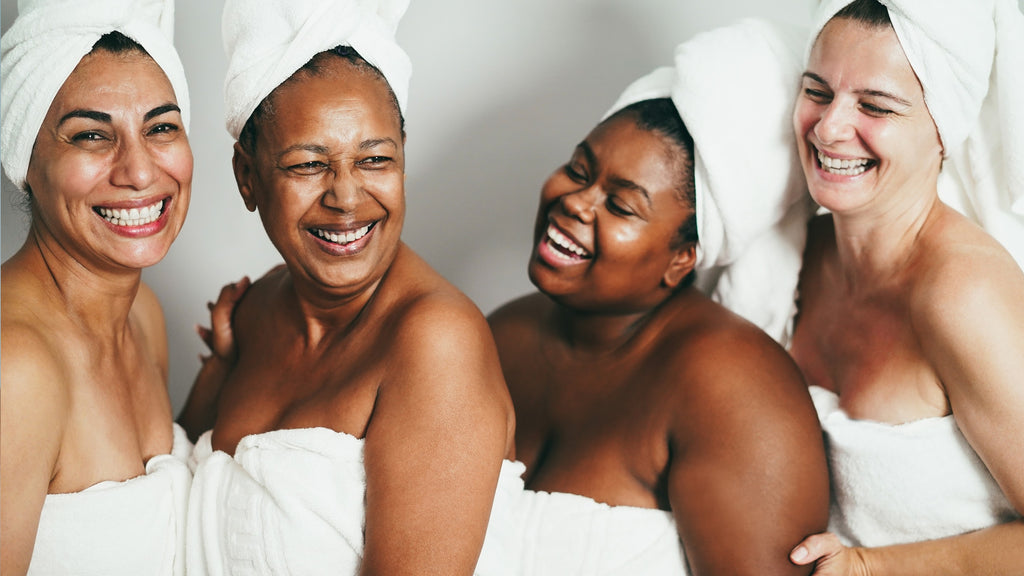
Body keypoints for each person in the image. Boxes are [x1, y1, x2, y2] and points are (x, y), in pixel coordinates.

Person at [179, 1, 520, 574]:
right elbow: (180, 500)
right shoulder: (257, 309)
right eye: (309, 165)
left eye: (375, 160)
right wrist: (219, 370)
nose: (346, 197)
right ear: (247, 177)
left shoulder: (436, 343)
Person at [487, 20, 829, 576]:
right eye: (578, 170)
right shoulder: (504, 336)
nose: (575, 202)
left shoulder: (733, 390)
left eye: (621, 206)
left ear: (682, 257)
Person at [786, 1, 1024, 574]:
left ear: (944, 132)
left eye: (875, 106)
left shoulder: (963, 294)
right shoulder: (796, 255)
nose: (829, 127)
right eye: (818, 91)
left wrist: (871, 566)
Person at [0, 1, 193, 575]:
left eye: (160, 127)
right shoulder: (15, 368)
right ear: (25, 160)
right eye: (89, 135)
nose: (138, 170)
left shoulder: (141, 315)